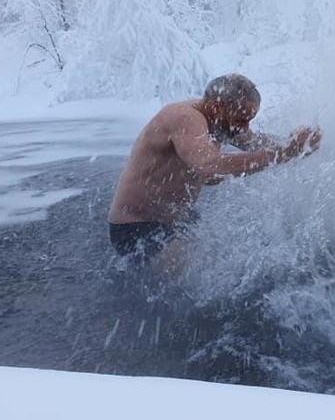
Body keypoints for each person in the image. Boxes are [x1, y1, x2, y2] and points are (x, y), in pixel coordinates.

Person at [108, 73, 321, 275]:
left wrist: (295, 145)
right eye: (242, 120)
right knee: (186, 280)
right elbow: (209, 166)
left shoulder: (224, 121)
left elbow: (255, 144)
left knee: (217, 262)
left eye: (250, 120)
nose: (245, 128)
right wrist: (283, 154)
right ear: (218, 106)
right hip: (136, 227)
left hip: (177, 219)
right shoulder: (184, 117)